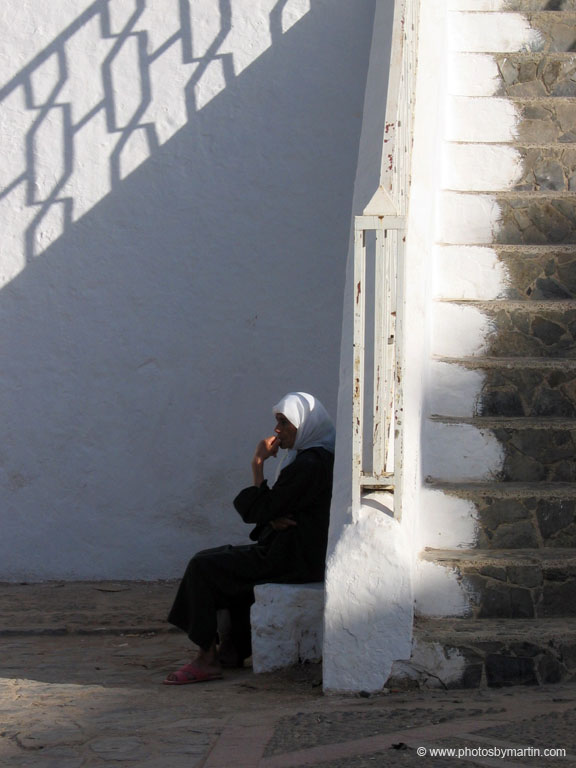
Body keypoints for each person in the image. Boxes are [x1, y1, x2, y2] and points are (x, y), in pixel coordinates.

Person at [164, 391, 335, 685]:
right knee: (223, 564)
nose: (277, 431)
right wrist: (270, 514)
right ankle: (231, 651)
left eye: (284, 423)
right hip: (295, 552)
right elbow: (268, 510)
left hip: (293, 557)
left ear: (304, 425)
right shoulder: (312, 459)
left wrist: (258, 464)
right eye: (277, 422)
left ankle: (207, 658)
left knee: (204, 567)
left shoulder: (309, 464)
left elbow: (256, 509)